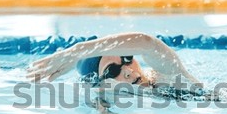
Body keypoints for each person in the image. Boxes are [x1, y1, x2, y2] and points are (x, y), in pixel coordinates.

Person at [27, 32, 202, 89]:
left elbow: (147, 44)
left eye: (127, 59)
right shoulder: (106, 96)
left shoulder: (167, 75)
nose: (128, 71)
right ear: (101, 84)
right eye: (112, 71)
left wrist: (78, 50)